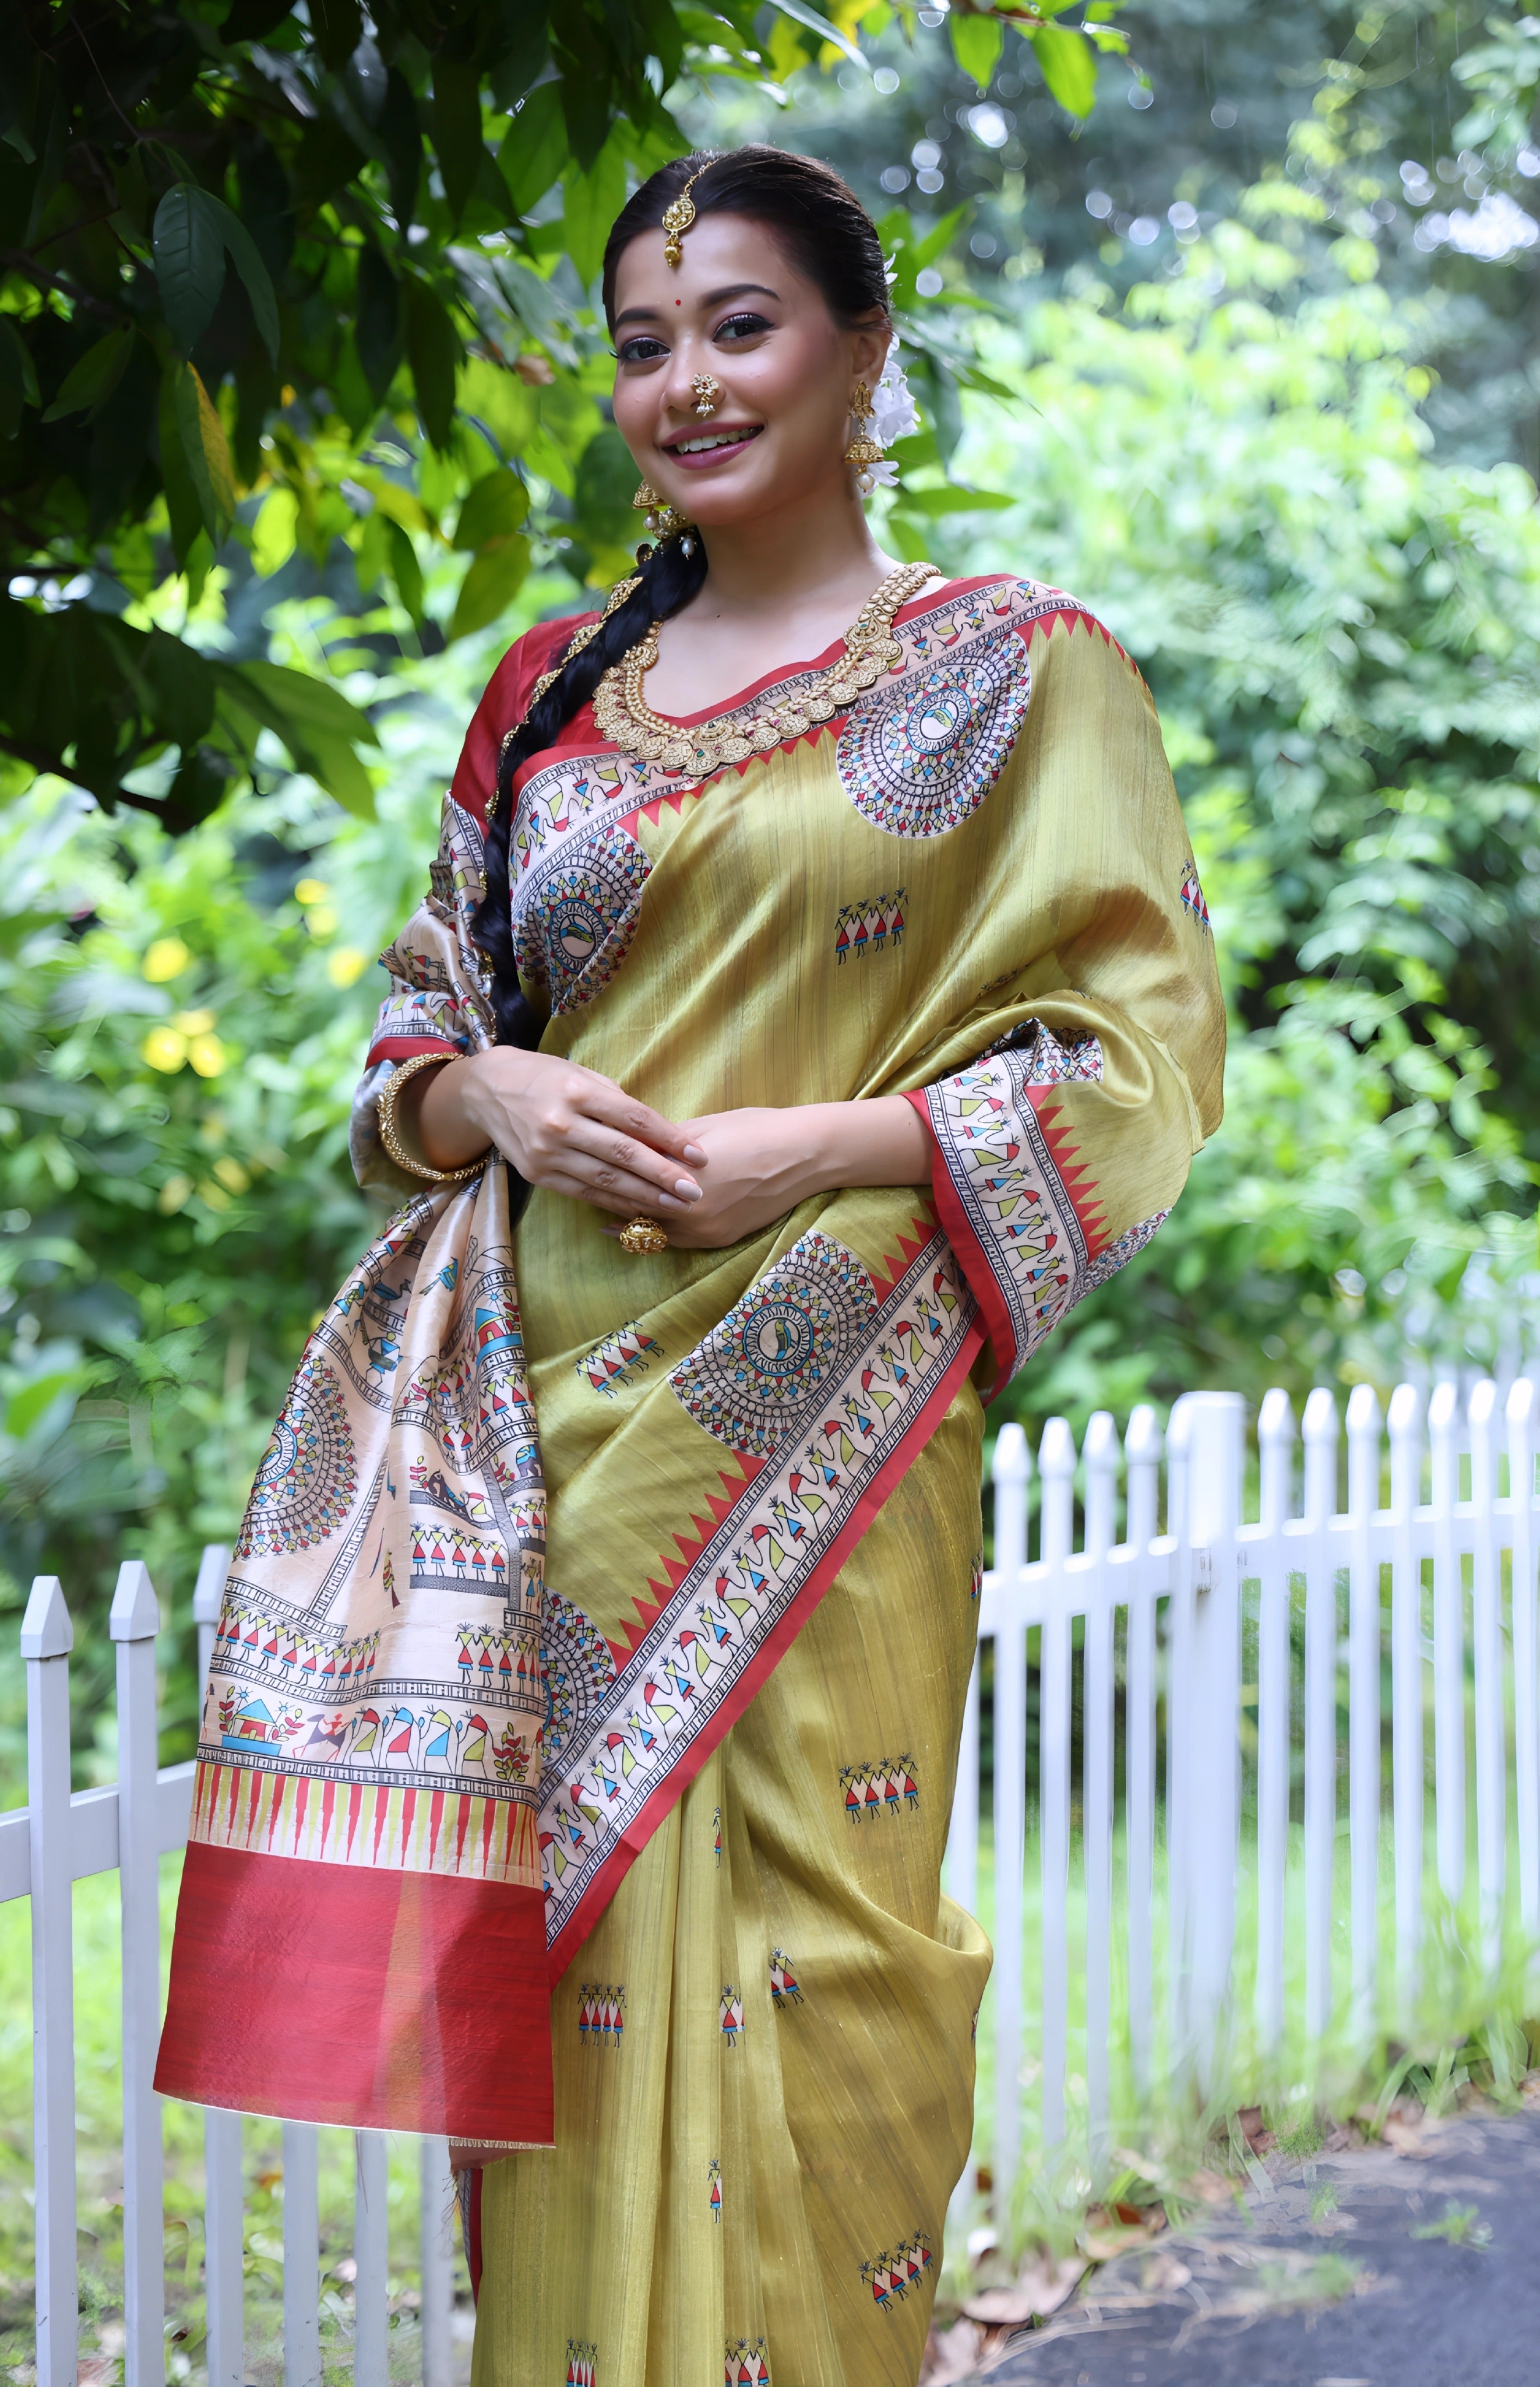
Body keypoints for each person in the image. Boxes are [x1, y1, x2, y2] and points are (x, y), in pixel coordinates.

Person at [157, 146, 1225, 2386]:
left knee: (836, 1982)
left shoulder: (1016, 673)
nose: (683, 382)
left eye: (736, 325)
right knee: (575, 2008)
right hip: (535, 1448)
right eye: (644, 343)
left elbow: (1131, 1066)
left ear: (859, 353)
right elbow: (408, 1046)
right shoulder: (552, 693)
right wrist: (496, 1104)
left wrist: (810, 1157)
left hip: (822, 1437)